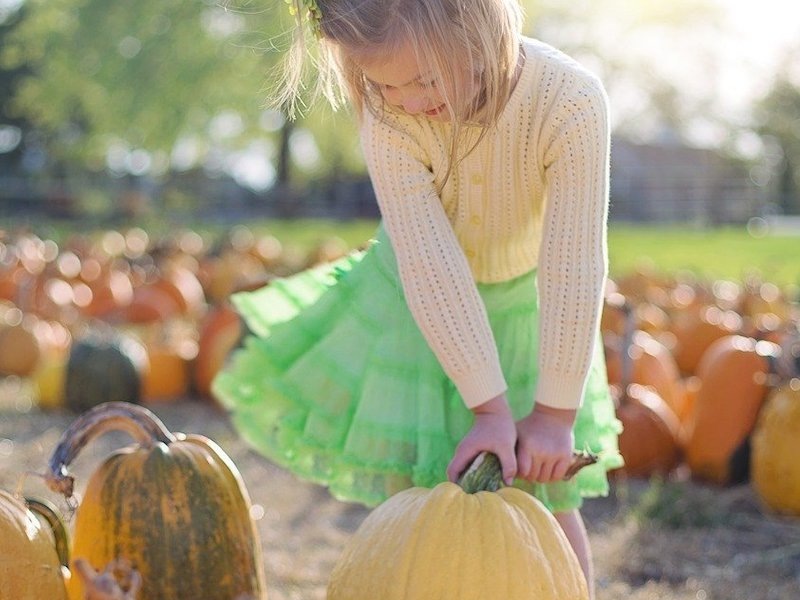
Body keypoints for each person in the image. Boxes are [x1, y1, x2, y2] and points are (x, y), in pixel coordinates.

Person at [213, 0, 622, 596]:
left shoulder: (571, 104)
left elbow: (573, 266)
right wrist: (489, 410)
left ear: (478, 30)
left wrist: (553, 415)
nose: (405, 99)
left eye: (425, 80)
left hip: (527, 310)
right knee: (426, 491)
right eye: (383, 83)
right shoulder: (390, 116)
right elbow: (431, 266)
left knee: (543, 495)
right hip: (420, 305)